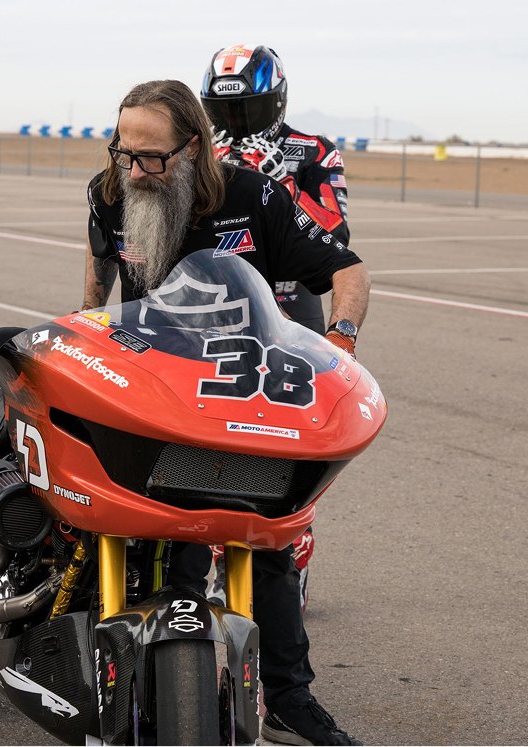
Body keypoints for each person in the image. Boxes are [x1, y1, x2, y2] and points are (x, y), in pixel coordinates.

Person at [82, 80, 368, 746]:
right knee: (163, 548)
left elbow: (347, 270)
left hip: (244, 398)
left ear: (194, 146)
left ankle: (289, 699)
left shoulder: (255, 195)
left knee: (269, 546)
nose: (134, 170)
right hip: (154, 401)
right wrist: (88, 327)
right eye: (124, 152)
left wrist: (341, 341)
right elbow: (98, 272)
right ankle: (154, 689)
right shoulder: (109, 189)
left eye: (151, 157)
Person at [200, 43, 349, 613]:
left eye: (248, 111)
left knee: (288, 437)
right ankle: (214, 549)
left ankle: (292, 547)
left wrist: (273, 187)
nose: (235, 124)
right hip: (221, 308)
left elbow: (335, 231)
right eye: (225, 111)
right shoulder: (202, 150)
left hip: (293, 309)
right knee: (215, 431)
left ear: (277, 99)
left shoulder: (313, 152)